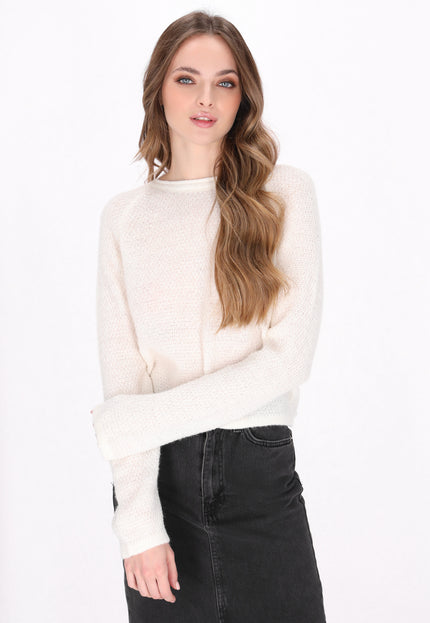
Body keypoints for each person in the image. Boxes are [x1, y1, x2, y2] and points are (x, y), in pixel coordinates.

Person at [91, 9, 327, 623]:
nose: (206, 99)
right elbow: (125, 376)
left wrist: (133, 423)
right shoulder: (124, 218)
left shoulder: (283, 194)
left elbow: (288, 360)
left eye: (225, 82)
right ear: (158, 91)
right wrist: (137, 524)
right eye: (186, 79)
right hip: (158, 484)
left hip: (258, 476)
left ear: (243, 96)